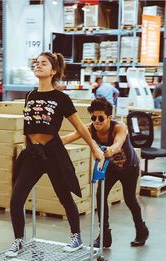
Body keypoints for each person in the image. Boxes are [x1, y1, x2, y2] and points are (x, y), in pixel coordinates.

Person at [5, 52, 103, 258]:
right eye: (36, 63)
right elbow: (28, 127)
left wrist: (95, 149)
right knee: (16, 199)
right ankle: (18, 240)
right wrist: (25, 150)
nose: (38, 66)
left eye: (44, 63)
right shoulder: (30, 96)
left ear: (54, 70)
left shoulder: (61, 98)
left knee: (64, 196)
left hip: (53, 153)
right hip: (33, 153)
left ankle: (76, 237)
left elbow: (81, 127)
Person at [61, 97, 149, 248]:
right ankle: (105, 235)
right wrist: (45, 142)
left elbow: (118, 143)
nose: (97, 121)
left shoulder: (119, 127)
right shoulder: (90, 129)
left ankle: (141, 230)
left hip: (130, 167)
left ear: (109, 117)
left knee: (130, 199)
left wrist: (111, 150)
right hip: (112, 168)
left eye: (101, 118)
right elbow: (68, 137)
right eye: (94, 117)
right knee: (100, 196)